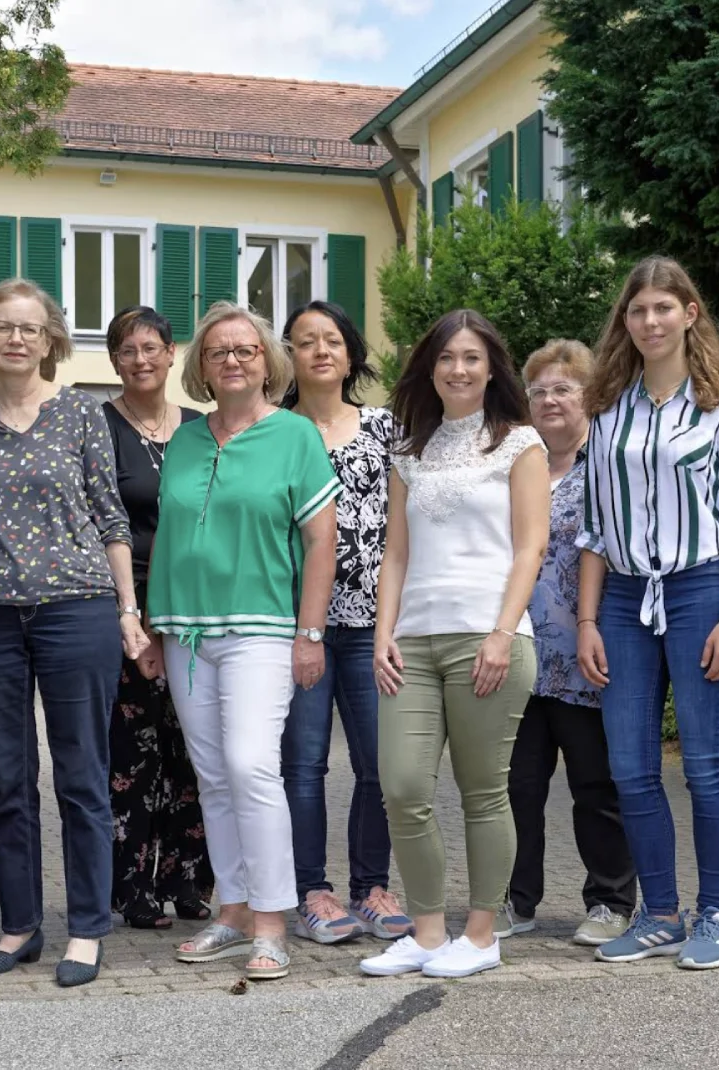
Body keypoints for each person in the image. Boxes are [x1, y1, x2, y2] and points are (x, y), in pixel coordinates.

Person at [576, 255, 719, 972]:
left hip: (701, 589)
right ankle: (659, 913)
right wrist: (588, 622)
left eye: (664, 307)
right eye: (637, 310)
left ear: (691, 313)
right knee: (630, 767)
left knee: (708, 766)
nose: (650, 321)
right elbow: (594, 527)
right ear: (624, 322)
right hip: (623, 599)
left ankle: (713, 916)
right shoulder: (608, 406)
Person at [0, 279, 148, 989]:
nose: (16, 338)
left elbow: (109, 517)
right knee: (6, 778)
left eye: (30, 329)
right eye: (2, 327)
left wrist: (128, 609)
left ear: (50, 341)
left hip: (79, 609)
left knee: (81, 776)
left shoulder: (80, 416)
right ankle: (19, 927)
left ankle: (88, 928)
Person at [148, 302, 339, 983]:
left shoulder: (294, 436)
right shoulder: (188, 440)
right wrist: (154, 624)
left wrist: (310, 633)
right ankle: (231, 912)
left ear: (267, 362)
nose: (232, 359)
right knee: (215, 777)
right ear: (201, 366)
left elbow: (322, 542)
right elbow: (171, 538)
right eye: (219, 351)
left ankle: (270, 923)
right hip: (186, 632)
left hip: (262, 629)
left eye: (246, 350)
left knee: (252, 764)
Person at [359, 310, 547, 981]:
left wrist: (502, 634)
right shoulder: (408, 450)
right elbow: (397, 555)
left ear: (492, 366)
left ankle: (482, 934)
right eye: (446, 358)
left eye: (471, 357)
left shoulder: (520, 443)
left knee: (481, 793)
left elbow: (532, 546)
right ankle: (428, 933)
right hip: (411, 642)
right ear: (428, 367)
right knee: (404, 786)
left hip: (487, 639)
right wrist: (382, 634)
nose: (458, 369)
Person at [496, 339, 638, 949]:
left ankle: (610, 900)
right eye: (539, 391)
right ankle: (515, 899)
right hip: (521, 654)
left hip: (588, 655)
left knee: (595, 788)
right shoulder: (515, 464)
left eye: (563, 389)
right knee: (516, 787)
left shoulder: (608, 463)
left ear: (588, 396)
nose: (550, 400)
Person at [278, 300, 411, 945]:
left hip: (369, 625)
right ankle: (312, 892)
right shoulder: (274, 431)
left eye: (332, 340)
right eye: (306, 342)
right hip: (298, 625)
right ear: (290, 356)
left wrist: (394, 624)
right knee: (302, 766)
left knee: (379, 763)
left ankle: (371, 888)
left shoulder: (387, 429)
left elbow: (403, 532)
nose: (321, 351)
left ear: (351, 354)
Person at [100, 304, 215, 931]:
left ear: (172, 353)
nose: (140, 360)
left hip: (198, 607)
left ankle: (188, 878)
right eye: (126, 350)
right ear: (114, 360)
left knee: (192, 747)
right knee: (134, 752)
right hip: (131, 606)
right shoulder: (99, 426)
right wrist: (131, 615)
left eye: (151, 347)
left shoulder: (202, 429)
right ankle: (132, 887)